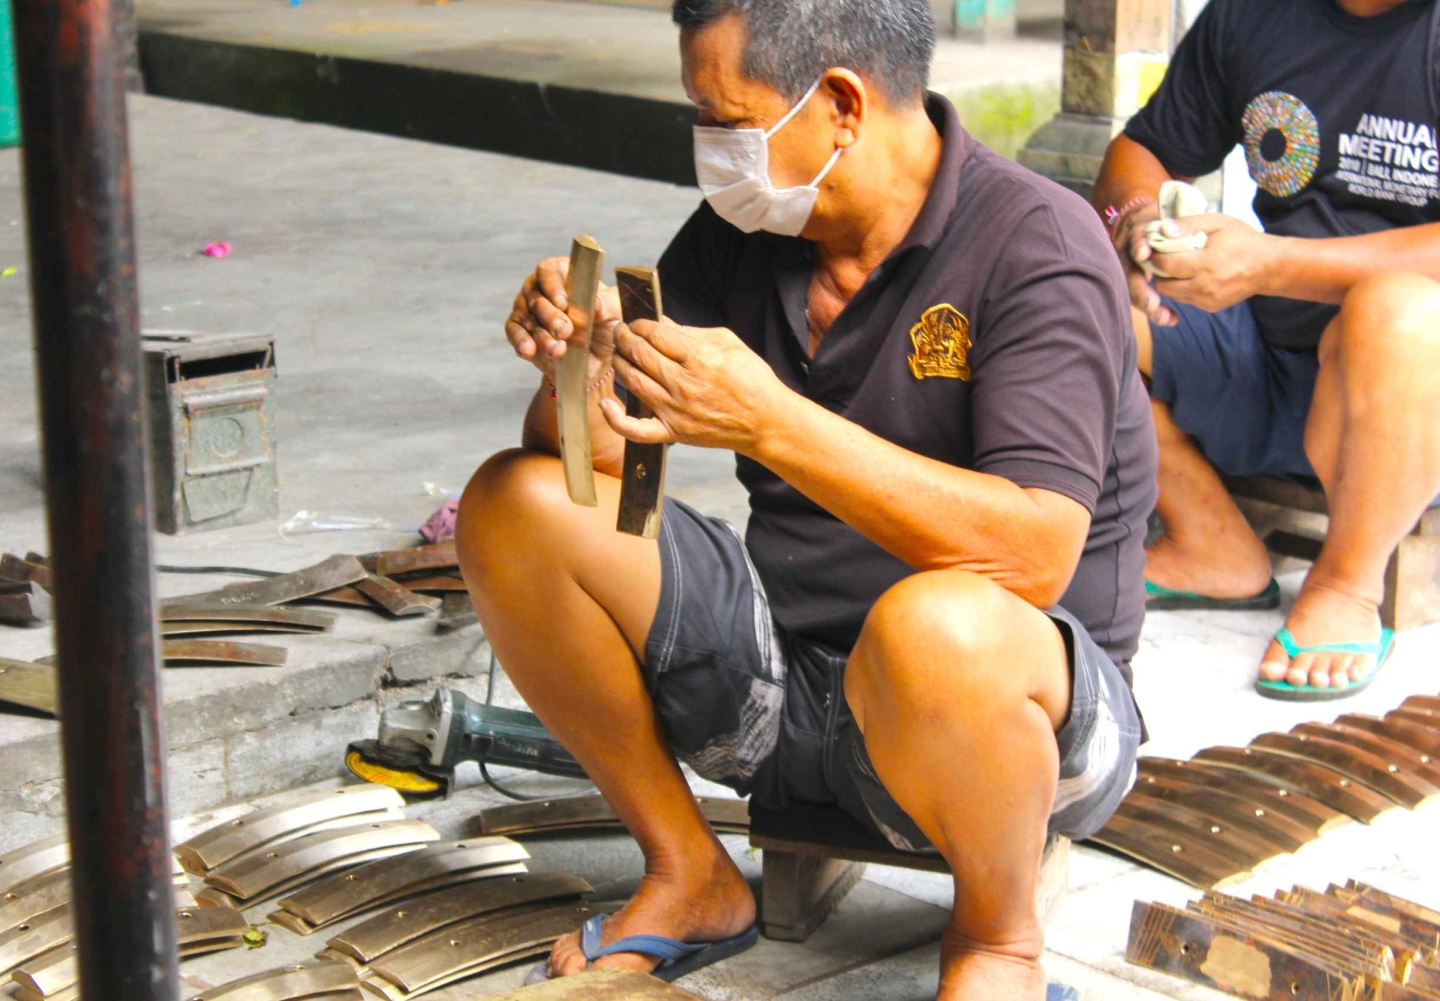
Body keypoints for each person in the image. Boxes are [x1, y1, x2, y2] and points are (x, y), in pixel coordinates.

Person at [457, 1, 1156, 997]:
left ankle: (999, 940)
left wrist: (768, 420)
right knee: (511, 503)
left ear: (838, 106)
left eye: (726, 118)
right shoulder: (746, 230)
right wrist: (573, 370)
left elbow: (1036, 554)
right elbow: (604, 468)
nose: (709, 147)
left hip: (1002, 727)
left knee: (936, 625)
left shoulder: (1037, 245)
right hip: (785, 693)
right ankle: (689, 871)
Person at [1093, 0, 1440, 699]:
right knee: (1080, 305)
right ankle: (1210, 541)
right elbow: (1141, 151)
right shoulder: (1253, 13)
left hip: (1414, 394)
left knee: (1397, 309)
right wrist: (1136, 221)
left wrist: (1271, 262)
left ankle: (1348, 579)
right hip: (1262, 354)